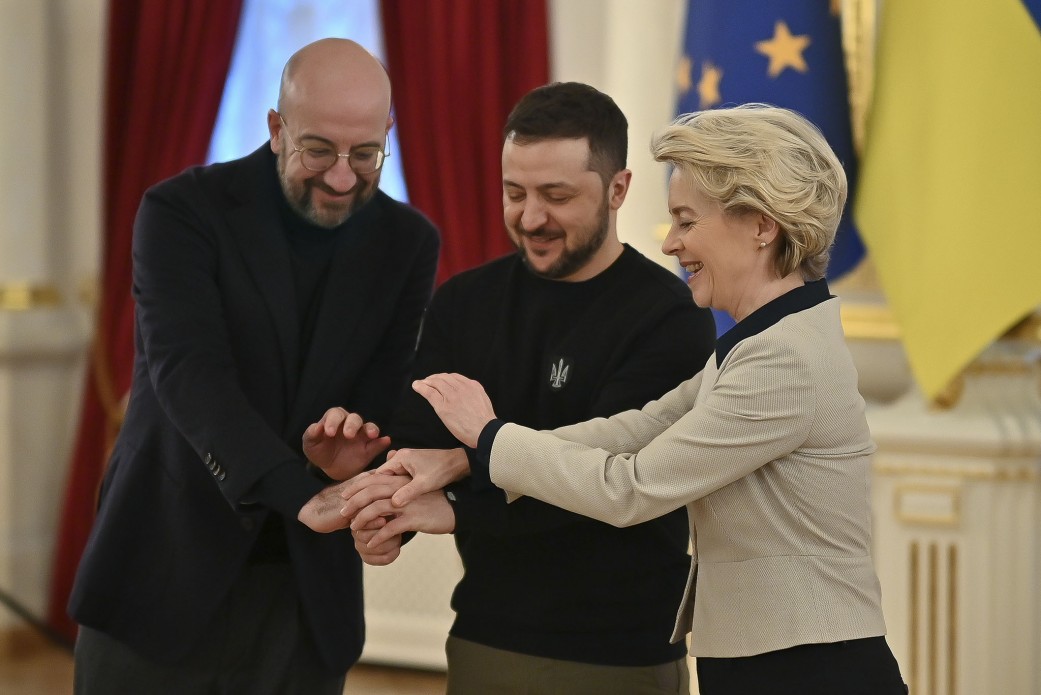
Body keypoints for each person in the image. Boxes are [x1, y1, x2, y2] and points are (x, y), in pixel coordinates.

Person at [363, 104, 909, 695]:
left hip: (808, 668)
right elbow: (635, 430)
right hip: (775, 661)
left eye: (686, 221)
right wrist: (464, 460)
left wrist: (488, 434)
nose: (671, 243)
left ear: (760, 225)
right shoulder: (764, 341)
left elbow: (631, 488)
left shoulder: (782, 361)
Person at [304, 82, 716, 694]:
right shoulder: (464, 302)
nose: (530, 218)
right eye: (514, 192)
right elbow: (417, 449)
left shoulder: (670, 317)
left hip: (620, 650)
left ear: (618, 190)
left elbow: (607, 477)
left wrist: (454, 489)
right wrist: (368, 486)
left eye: (557, 196)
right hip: (485, 633)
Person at [68, 38, 440, 694]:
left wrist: (356, 469)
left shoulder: (408, 242)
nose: (342, 178)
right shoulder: (182, 211)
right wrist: (301, 493)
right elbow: (188, 371)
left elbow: (384, 396)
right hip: (163, 565)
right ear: (276, 128)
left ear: (388, 133)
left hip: (304, 598)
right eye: (317, 150)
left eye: (365, 154)